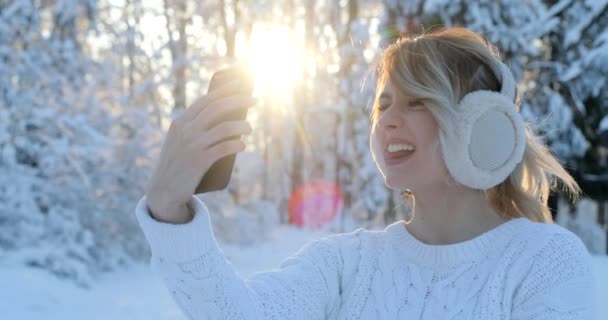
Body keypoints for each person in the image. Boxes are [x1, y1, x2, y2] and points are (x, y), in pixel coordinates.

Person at [135, 27, 596, 319]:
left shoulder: (544, 259)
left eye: (418, 101)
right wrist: (168, 209)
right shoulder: (346, 264)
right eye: (383, 103)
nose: (390, 119)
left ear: (483, 125)